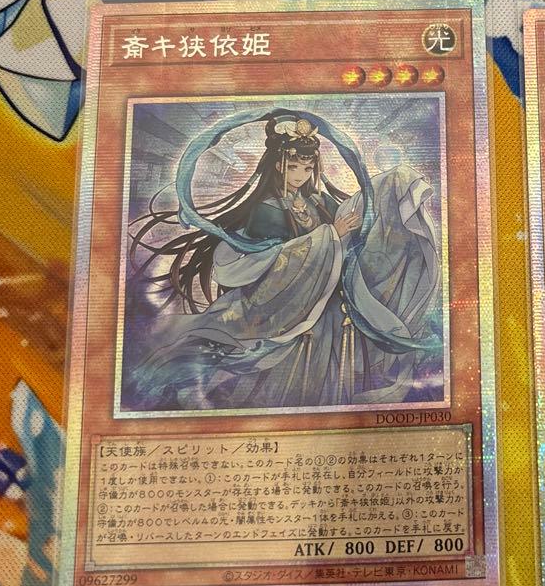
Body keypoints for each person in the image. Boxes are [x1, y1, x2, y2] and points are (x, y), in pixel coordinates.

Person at [127, 109, 440, 411]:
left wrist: (385, 201)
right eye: (294, 167)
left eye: (307, 168)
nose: (301, 175)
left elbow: (350, 230)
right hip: (281, 306)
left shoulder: (317, 201)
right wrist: (331, 234)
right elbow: (274, 263)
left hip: (323, 302)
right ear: (278, 165)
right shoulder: (266, 209)